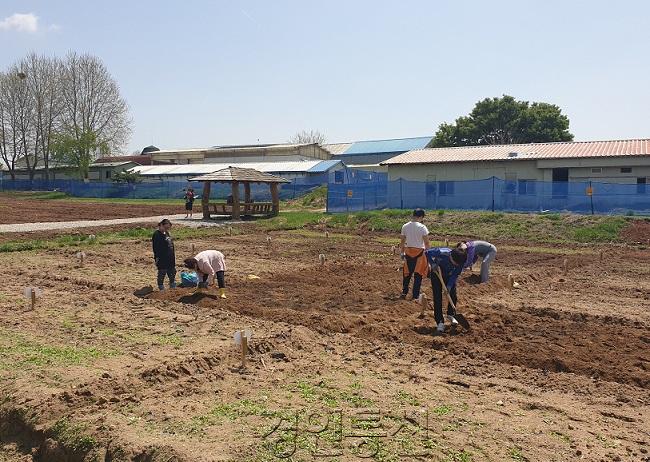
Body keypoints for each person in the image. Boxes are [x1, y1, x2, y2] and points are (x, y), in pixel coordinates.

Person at [424, 246, 467, 333]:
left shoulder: (460, 261)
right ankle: (440, 321)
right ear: (451, 256)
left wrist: (449, 286)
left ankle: (451, 315)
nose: (457, 265)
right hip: (437, 273)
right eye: (455, 263)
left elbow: (455, 274)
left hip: (450, 276)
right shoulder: (442, 252)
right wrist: (432, 263)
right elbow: (427, 252)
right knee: (437, 297)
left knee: (453, 296)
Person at [399, 208, 431, 301]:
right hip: (420, 254)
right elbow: (427, 243)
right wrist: (428, 255)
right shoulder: (422, 227)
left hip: (408, 252)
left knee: (407, 274)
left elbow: (402, 241)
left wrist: (402, 252)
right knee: (418, 275)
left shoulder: (405, 226)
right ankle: (415, 295)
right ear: (421, 217)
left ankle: (404, 292)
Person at [152, 218, 176, 290]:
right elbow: (156, 248)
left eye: (168, 228)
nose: (167, 229)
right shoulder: (157, 234)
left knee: (172, 272)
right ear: (161, 225)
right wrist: (157, 258)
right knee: (162, 272)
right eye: (165, 228)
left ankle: (172, 286)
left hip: (170, 257)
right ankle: (161, 287)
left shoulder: (167, 233)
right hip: (162, 257)